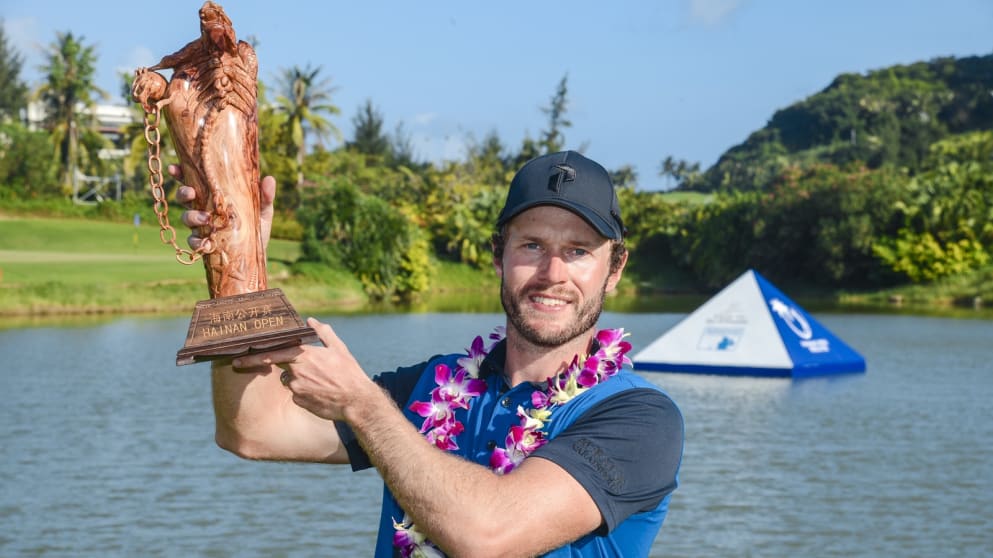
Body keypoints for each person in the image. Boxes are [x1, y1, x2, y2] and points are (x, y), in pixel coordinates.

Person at [176, 150, 684, 557]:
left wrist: (364, 405)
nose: (552, 274)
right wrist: (240, 263)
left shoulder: (641, 419)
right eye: (531, 245)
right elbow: (254, 430)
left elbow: (489, 537)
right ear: (498, 255)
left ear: (614, 270)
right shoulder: (433, 385)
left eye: (578, 251)